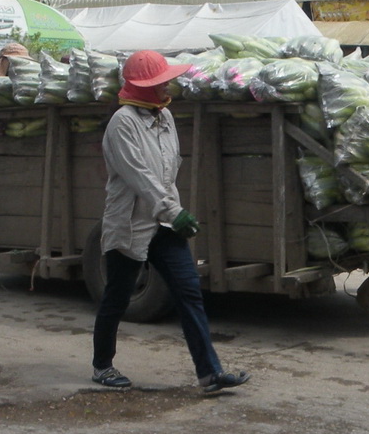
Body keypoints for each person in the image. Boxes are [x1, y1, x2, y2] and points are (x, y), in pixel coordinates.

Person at [92, 49, 250, 394]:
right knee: (118, 296)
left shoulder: (165, 117)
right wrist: (174, 212)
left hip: (163, 223)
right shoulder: (122, 123)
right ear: (144, 87)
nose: (168, 86)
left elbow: (168, 173)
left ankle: (210, 373)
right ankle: (102, 365)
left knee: (189, 291)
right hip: (130, 223)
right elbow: (140, 177)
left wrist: (172, 211)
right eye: (162, 82)